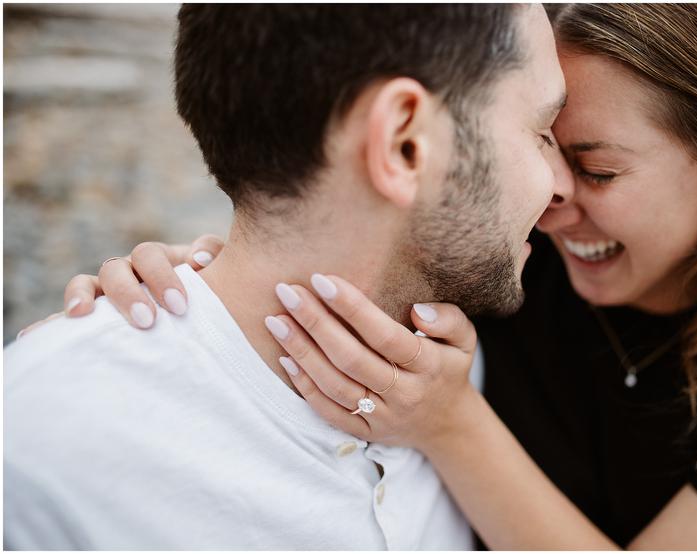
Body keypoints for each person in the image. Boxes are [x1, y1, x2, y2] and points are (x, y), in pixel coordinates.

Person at [52, 3, 697, 550]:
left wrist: (450, 424)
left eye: (596, 168)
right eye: (538, 144)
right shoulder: (509, 267)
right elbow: (346, 237)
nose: (553, 197)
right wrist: (178, 299)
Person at [4, 5, 572, 549]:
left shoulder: (447, 370)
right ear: (403, 144)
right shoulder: (36, 453)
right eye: (542, 132)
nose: (562, 187)